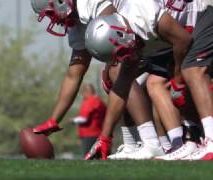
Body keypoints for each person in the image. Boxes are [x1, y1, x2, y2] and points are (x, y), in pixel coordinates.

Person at [30, 0, 191, 160]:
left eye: (51, 14)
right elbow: (74, 73)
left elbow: (114, 33)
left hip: (159, 27)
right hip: (145, 40)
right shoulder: (77, 20)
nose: (53, 20)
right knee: (115, 76)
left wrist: (110, 66)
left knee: (116, 71)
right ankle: (132, 144)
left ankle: (152, 142)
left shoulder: (89, 3)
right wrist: (53, 120)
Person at [84, 0, 213, 161]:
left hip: (203, 15)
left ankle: (211, 142)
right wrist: (105, 137)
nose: (122, 57)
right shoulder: (127, 33)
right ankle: (190, 141)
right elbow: (122, 87)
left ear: (119, 34)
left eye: (120, 52)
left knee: (191, 71)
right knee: (162, 83)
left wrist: (178, 77)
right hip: (185, 32)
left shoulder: (139, 13)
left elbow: (182, 40)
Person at [70, 83, 106, 155]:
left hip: (89, 135)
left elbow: (84, 119)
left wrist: (73, 120)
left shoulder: (89, 102)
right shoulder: (101, 102)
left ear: (86, 92)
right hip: (100, 133)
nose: (82, 96)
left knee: (88, 156)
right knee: (100, 157)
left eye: (82, 93)